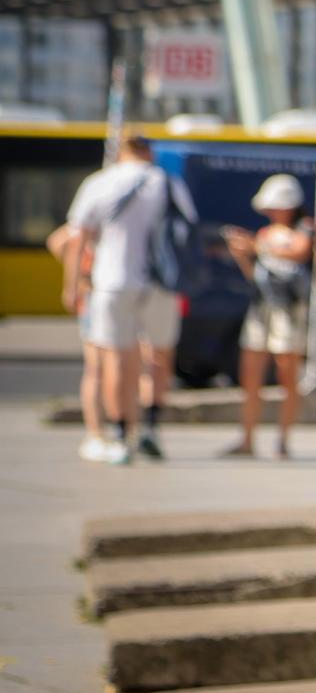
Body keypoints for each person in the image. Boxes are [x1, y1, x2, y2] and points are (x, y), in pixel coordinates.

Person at [62, 135, 196, 464]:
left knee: (115, 359)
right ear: (148, 152)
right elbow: (187, 229)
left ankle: (120, 433)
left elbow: (77, 238)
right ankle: (150, 425)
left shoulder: (100, 182)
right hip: (161, 283)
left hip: (112, 282)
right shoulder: (167, 182)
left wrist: (73, 284)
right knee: (159, 355)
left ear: (121, 151)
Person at [220, 173, 312, 458]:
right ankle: (247, 439)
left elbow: (299, 252)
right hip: (261, 307)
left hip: (289, 309)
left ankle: (283, 441)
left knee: (287, 375)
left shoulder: (304, 229)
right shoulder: (264, 235)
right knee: (250, 377)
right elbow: (256, 276)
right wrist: (242, 255)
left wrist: (255, 247)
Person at [47, 223, 113, 462]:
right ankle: (96, 433)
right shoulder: (90, 218)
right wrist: (78, 276)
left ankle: (110, 431)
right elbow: (57, 241)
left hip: (110, 295)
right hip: (94, 296)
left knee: (112, 367)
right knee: (97, 367)